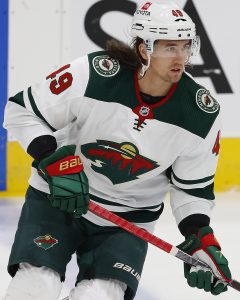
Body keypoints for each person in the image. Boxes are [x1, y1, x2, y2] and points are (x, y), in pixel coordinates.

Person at [3, 1, 232, 299]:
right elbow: (20, 110)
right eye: (169, 47)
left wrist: (200, 237)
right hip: (58, 199)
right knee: (35, 287)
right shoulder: (94, 74)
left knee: (98, 296)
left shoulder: (201, 114)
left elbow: (193, 190)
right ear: (143, 49)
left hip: (128, 222)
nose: (181, 57)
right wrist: (51, 158)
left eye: (186, 46)